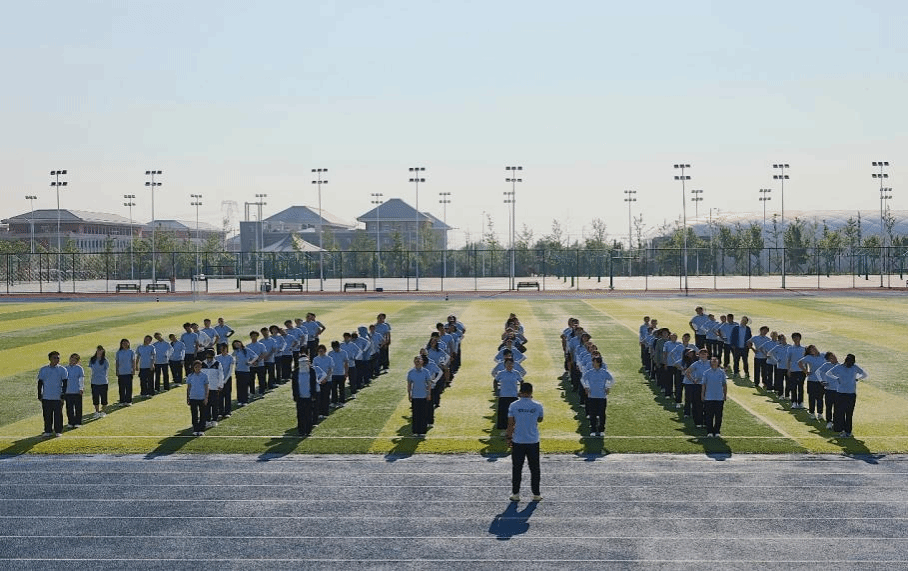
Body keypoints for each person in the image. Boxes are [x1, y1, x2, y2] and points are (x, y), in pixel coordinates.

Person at [506, 382, 543, 502]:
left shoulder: (513, 405)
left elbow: (510, 423)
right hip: (533, 440)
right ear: (531, 392)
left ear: (520, 392)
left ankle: (516, 494)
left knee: (517, 468)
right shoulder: (537, 405)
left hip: (518, 440)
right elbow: (540, 419)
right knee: (535, 468)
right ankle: (536, 494)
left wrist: (509, 437)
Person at [826, 354, 867, 438]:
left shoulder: (852, 367)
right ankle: (843, 430)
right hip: (844, 393)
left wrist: (857, 379)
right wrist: (837, 378)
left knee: (846, 413)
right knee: (843, 413)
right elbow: (828, 373)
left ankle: (846, 431)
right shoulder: (844, 367)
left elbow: (865, 375)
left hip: (847, 393)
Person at [581, 356, 614, 437]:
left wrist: (608, 387)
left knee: (602, 414)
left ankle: (601, 430)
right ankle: (593, 430)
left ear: (599, 363)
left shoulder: (604, 372)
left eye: (594, 362)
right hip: (592, 396)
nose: (593, 364)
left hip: (602, 396)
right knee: (593, 414)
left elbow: (612, 379)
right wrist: (586, 387)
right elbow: (583, 379)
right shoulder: (590, 372)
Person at [37, 351, 67, 436]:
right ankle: (48, 431)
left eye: (58, 358)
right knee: (47, 415)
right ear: (50, 359)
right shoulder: (43, 369)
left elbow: (65, 383)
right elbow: (40, 383)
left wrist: (63, 395)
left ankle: (58, 431)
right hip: (46, 396)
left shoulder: (62, 369)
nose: (57, 359)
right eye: (55, 358)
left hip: (57, 396)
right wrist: (39, 394)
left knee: (58, 415)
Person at [701, 357, 728, 438]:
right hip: (709, 397)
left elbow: (724, 384)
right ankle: (709, 431)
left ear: (718, 362)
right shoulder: (706, 373)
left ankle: (717, 431)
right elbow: (704, 385)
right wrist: (702, 395)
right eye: (712, 360)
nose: (714, 361)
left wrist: (725, 395)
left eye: (716, 360)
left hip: (719, 397)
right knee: (709, 415)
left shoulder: (722, 372)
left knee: (718, 415)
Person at [406, 355, 433, 437]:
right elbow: (409, 384)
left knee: (423, 413)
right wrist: (409, 394)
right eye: (416, 360)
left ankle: (422, 431)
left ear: (422, 361)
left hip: (423, 395)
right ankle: (415, 431)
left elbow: (429, 384)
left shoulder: (426, 372)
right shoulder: (411, 372)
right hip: (415, 395)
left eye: (419, 360)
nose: (417, 362)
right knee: (415, 414)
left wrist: (429, 394)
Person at [495, 358, 522, 433]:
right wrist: (496, 391)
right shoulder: (501, 373)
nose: (509, 365)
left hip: (513, 396)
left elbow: (521, 381)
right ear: (505, 365)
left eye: (511, 363)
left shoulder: (516, 373)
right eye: (507, 364)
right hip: (503, 396)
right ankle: (503, 430)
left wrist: (520, 391)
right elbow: (495, 381)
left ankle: (514, 429)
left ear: (513, 364)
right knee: (503, 413)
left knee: (514, 414)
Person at [292, 354, 315, 437]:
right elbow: (294, 385)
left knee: (309, 413)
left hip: (309, 396)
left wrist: (313, 394)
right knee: (300, 414)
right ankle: (301, 431)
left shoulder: (312, 371)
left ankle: (308, 430)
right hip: (300, 396)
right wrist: (295, 395)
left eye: (306, 361)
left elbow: (313, 383)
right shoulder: (296, 372)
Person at [185, 360, 209, 436]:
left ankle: (201, 429)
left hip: (201, 397)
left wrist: (206, 398)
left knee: (203, 414)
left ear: (201, 367)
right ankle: (196, 429)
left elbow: (206, 387)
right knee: (194, 414)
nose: (197, 368)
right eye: (196, 367)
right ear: (193, 367)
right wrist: (188, 398)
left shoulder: (204, 376)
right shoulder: (190, 376)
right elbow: (188, 388)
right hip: (193, 397)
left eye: (199, 367)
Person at [231, 339, 257, 407]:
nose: (237, 345)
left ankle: (245, 400)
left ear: (240, 343)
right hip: (238, 370)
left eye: (238, 343)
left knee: (245, 385)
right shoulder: (235, 352)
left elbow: (255, 356)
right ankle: (240, 400)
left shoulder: (246, 350)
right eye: (235, 344)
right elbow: (231, 358)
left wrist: (251, 362)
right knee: (239, 385)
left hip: (246, 370)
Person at [63, 353, 85, 429]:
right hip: (68, 391)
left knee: (78, 408)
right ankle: (71, 422)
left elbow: (81, 379)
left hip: (77, 391)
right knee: (69, 408)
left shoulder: (79, 368)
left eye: (75, 359)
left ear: (77, 360)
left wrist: (81, 388)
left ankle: (78, 422)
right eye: (72, 358)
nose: (73, 360)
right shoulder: (65, 368)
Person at [88, 345, 109, 419]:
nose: (99, 351)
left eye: (101, 350)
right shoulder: (92, 360)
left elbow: (106, 370)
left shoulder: (105, 360)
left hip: (103, 382)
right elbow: (91, 368)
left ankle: (103, 411)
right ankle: (97, 412)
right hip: (94, 382)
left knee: (104, 398)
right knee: (95, 398)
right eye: (98, 350)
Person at [215, 343, 235, 419]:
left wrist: (225, 380)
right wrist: (219, 380)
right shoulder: (217, 357)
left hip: (227, 379)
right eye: (221, 348)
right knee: (219, 396)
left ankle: (227, 411)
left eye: (224, 348)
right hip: (219, 379)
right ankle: (220, 412)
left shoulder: (231, 357)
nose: (223, 349)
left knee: (227, 395)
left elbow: (230, 370)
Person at [115, 338, 135, 406]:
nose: (125, 344)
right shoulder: (119, 352)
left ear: (128, 343)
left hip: (129, 372)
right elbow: (117, 362)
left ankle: (128, 401)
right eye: (123, 343)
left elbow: (133, 361)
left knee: (129, 387)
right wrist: (117, 370)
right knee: (121, 387)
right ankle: (122, 401)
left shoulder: (131, 352)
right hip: (121, 372)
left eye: (126, 343)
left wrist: (133, 370)